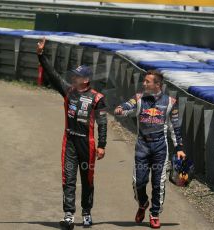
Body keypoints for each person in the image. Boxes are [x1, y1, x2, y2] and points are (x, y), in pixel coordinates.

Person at [36, 38, 107, 230]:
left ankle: (86, 212)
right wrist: (41, 55)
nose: (73, 78)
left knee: (87, 179)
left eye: (77, 76)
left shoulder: (97, 98)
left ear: (86, 80)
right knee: (68, 178)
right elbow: (52, 75)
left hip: (88, 144)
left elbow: (102, 122)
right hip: (70, 141)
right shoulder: (68, 91)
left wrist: (102, 145)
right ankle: (68, 215)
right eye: (73, 75)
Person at [114, 70, 186, 229]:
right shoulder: (139, 98)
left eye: (147, 81)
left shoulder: (170, 102)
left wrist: (179, 147)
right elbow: (128, 105)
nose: (144, 84)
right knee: (138, 182)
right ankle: (142, 203)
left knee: (158, 183)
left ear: (158, 85)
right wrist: (120, 108)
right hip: (142, 146)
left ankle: (155, 213)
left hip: (160, 147)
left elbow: (175, 127)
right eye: (144, 81)